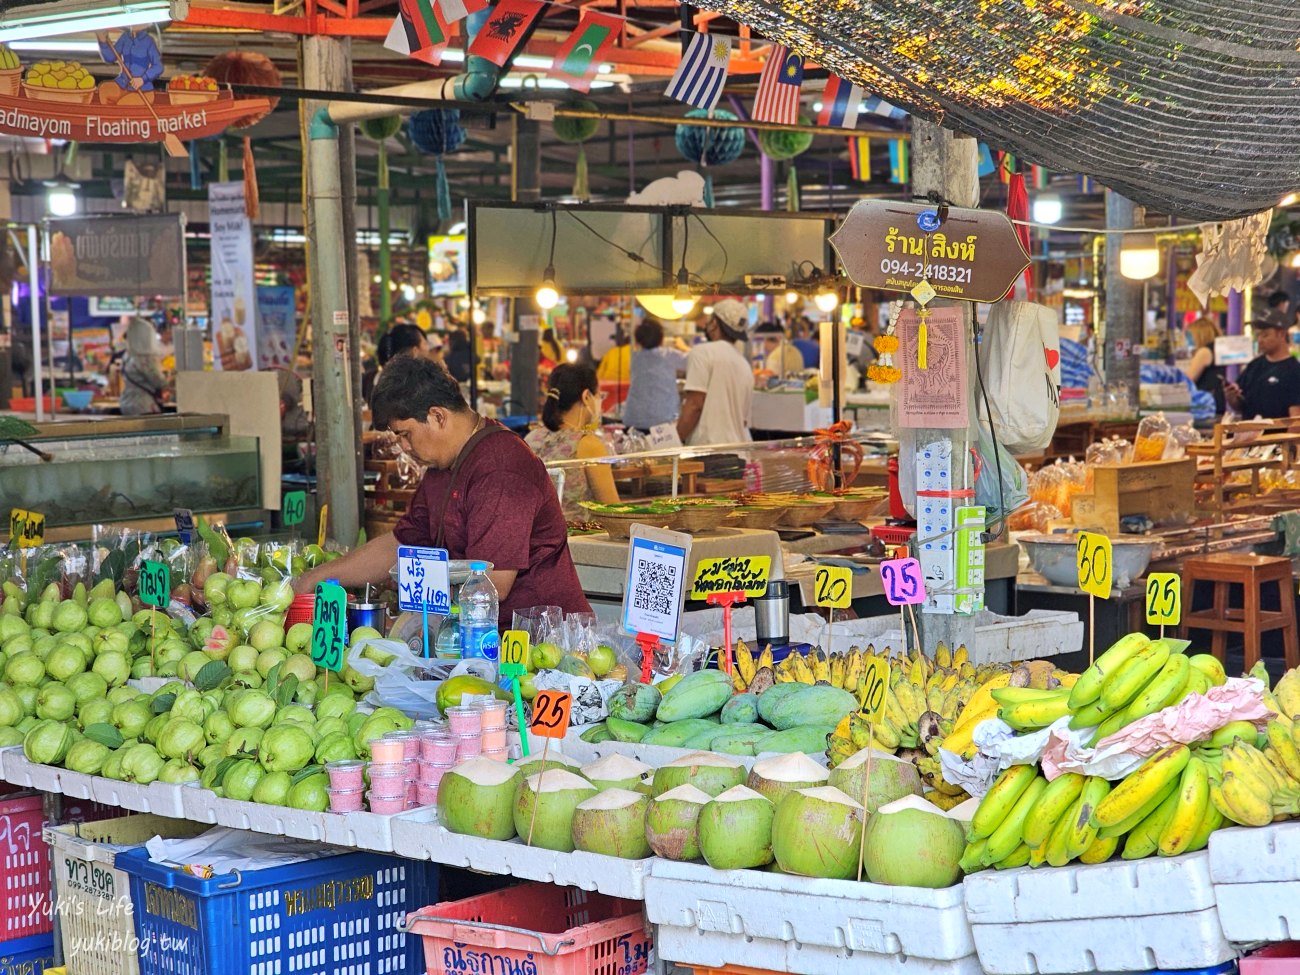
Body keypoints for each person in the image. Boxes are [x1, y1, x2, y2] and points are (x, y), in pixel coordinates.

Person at [295, 355, 591, 624]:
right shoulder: (442, 467)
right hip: (471, 637)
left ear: (437, 416)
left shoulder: (500, 469)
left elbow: (491, 584)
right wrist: (320, 577)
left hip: (540, 643)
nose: (404, 446)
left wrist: (411, 589)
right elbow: (402, 543)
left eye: (405, 434)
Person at [525, 364, 619, 517]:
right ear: (586, 396)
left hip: (533, 536)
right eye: (599, 395)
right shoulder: (587, 444)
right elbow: (614, 511)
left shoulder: (531, 438)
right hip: (575, 537)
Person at [678, 299, 753, 446]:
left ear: (714, 324)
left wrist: (675, 441)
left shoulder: (702, 352)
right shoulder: (744, 364)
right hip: (738, 453)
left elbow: (695, 406)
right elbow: (743, 420)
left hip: (708, 452)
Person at [1224, 319, 1300, 420]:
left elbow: (1296, 419)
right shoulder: (1253, 366)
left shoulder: (1294, 371)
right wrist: (1231, 397)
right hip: (1247, 433)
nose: (1260, 340)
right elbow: (1239, 406)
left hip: (1276, 434)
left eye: (1265, 335)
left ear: (1281, 334)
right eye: (1258, 335)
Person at [622, 318, 687, 432]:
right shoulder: (669, 355)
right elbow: (694, 360)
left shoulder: (635, 357)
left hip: (634, 420)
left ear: (637, 340)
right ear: (661, 338)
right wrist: (683, 346)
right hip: (663, 422)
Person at [96, 27, 163, 106]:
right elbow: (111, 57)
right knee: (104, 90)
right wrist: (103, 41)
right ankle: (107, 117)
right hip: (123, 85)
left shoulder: (148, 41)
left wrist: (142, 79)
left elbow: (158, 67)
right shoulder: (125, 37)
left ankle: (116, 116)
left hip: (143, 90)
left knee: (122, 105)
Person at [119, 317, 168, 415]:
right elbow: (159, 381)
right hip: (144, 405)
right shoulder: (145, 358)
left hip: (126, 402)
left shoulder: (127, 356)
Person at [1182, 316, 1225, 414]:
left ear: (1199, 334)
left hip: (1207, 403)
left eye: (1189, 335)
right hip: (1219, 402)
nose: (1188, 338)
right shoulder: (1218, 349)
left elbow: (1189, 379)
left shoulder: (1204, 351)